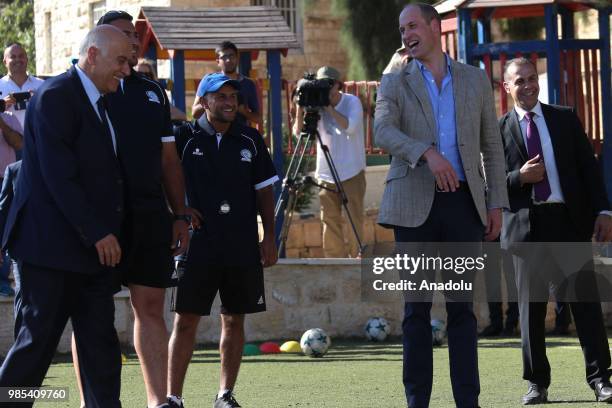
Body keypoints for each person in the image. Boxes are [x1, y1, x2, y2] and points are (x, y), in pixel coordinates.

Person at [374, 4, 508, 407]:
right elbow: (381, 130)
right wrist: (426, 153)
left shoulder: (474, 79)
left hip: (464, 206)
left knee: (462, 310)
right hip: (412, 207)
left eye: (412, 26)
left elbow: (492, 147)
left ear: (434, 28)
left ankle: (468, 401)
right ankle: (418, 401)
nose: (406, 35)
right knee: (416, 309)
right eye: (401, 29)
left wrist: (496, 203)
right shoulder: (394, 80)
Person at [0, 25, 131, 407]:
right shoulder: (56, 96)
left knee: (102, 352)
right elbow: (60, 176)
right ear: (93, 55)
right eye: (120, 60)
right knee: (34, 349)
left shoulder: (101, 103)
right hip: (49, 253)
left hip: (91, 257)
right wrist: (98, 233)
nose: (125, 70)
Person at [499, 57, 612, 404]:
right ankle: (537, 384)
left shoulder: (564, 118)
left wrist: (604, 210)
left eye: (532, 78)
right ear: (507, 87)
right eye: (520, 81)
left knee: (585, 304)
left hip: (567, 221)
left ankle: (601, 380)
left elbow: (588, 169)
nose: (528, 85)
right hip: (525, 227)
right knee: (530, 310)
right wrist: (521, 178)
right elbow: (489, 184)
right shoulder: (497, 130)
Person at [96, 10, 191, 408]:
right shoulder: (86, 90)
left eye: (133, 36)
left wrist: (180, 214)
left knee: (151, 308)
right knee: (94, 316)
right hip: (101, 219)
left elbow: (169, 160)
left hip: (150, 216)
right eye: (122, 36)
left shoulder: (152, 92)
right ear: (98, 44)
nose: (132, 43)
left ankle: (158, 401)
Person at [167, 73, 278, 408]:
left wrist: (269, 236)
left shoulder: (250, 140)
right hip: (197, 244)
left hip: (241, 245)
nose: (230, 102)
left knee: (234, 319)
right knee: (185, 321)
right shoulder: (182, 137)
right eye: (222, 97)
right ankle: (173, 398)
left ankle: (224, 395)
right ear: (203, 101)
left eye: (233, 96)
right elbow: (163, 177)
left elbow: (264, 191)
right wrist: (180, 210)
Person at [293, 66, 366, 258]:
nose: (324, 89)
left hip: (351, 172)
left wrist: (328, 108)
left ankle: (357, 261)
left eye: (328, 85)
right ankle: (336, 264)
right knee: (330, 221)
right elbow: (298, 133)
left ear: (337, 85)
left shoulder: (352, 102)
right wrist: (300, 109)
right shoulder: (315, 105)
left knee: (353, 220)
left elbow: (350, 128)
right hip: (325, 174)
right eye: (321, 84)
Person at [192, 41, 262, 129]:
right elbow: (194, 113)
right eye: (224, 57)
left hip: (239, 136)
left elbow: (258, 119)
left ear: (237, 58)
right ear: (218, 60)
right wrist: (210, 102)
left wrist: (243, 112)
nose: (228, 60)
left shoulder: (248, 84)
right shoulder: (208, 81)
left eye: (231, 56)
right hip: (212, 134)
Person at [0, 110, 22, 297]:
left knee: (4, 226)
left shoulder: (8, 117)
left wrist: (1, 123)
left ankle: (2, 281)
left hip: (3, 179)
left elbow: (18, 143)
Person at [0, 43, 44, 128]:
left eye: (21, 56)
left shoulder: (42, 85)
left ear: (27, 59)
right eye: (13, 57)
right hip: (6, 140)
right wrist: (2, 104)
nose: (18, 60)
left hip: (36, 139)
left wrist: (40, 102)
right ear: (5, 62)